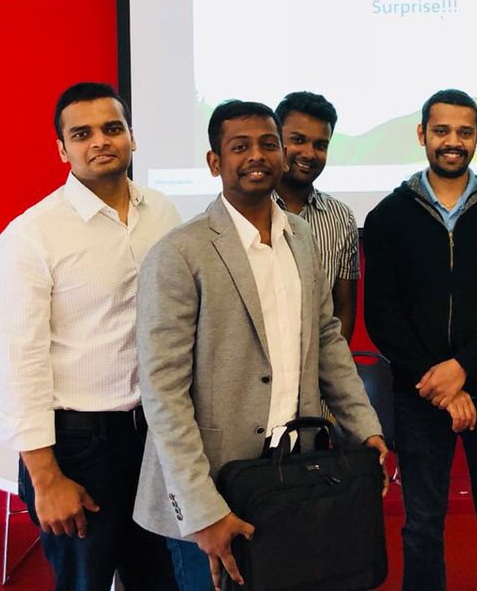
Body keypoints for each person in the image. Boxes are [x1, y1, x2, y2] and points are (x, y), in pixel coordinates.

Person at [132, 99, 386, 591]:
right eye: (240, 146)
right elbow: (163, 393)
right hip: (213, 488)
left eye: (268, 144)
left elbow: (328, 340)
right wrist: (203, 510)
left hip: (292, 476)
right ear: (215, 162)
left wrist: (364, 426)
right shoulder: (179, 253)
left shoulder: (303, 238)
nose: (257, 156)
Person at [0, 82, 181, 591]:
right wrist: (46, 478)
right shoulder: (31, 236)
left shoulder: (163, 213)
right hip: (79, 447)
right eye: (82, 134)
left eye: (112, 128)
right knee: (84, 581)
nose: (100, 141)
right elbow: (18, 363)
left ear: (132, 137)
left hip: (155, 438)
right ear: (62, 149)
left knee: (161, 579)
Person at [363, 89, 477, 591]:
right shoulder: (387, 217)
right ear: (422, 134)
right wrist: (439, 382)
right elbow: (382, 314)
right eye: (441, 131)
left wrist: (462, 368)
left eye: (464, 132)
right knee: (421, 524)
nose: (453, 142)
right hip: (419, 395)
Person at [273, 91, 360, 342]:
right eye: (298, 140)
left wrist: (331, 364)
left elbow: (343, 311)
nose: (309, 154)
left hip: (318, 362)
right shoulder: (246, 209)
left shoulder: (341, 218)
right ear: (275, 139)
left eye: (320, 145)